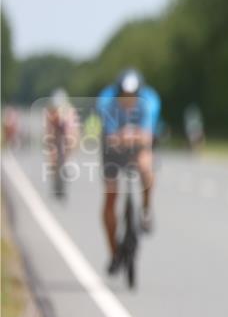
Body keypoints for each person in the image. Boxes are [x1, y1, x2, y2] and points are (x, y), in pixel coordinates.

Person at [96, 68, 161, 274]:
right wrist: (127, 136)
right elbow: (111, 137)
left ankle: (146, 209)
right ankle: (114, 251)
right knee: (110, 197)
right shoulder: (107, 102)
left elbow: (147, 136)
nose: (128, 100)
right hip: (112, 150)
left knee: (146, 167)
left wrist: (129, 136)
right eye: (124, 95)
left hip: (137, 146)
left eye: (132, 96)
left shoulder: (149, 101)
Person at [44, 88, 80, 194]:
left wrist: (71, 144)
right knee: (53, 154)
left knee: (70, 142)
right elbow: (49, 131)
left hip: (66, 131)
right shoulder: (49, 111)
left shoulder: (69, 110)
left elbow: (72, 130)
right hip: (55, 132)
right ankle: (55, 173)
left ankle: (66, 163)